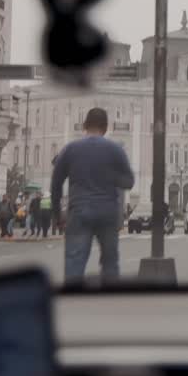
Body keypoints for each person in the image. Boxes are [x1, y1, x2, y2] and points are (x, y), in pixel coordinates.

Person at [51, 107, 135, 283]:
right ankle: (108, 299)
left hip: (80, 211)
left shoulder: (70, 149)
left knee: (75, 260)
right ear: (106, 128)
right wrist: (110, 177)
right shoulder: (115, 150)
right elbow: (129, 182)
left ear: (84, 125)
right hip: (107, 212)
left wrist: (57, 214)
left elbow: (56, 183)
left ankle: (74, 298)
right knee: (110, 262)